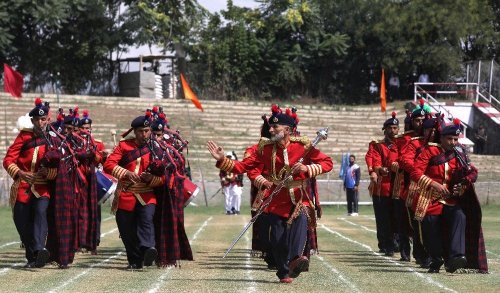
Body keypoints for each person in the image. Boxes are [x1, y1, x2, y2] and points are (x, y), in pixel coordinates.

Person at [207, 104, 333, 283]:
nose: (271, 129)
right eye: (271, 127)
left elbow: (327, 163)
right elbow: (244, 167)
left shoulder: (303, 146)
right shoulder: (265, 148)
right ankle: (283, 272)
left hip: (299, 197)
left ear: (287, 130)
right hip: (276, 199)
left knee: (302, 220)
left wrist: (306, 167)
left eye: (275, 127)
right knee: (277, 239)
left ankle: (297, 258)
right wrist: (223, 160)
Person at [410, 118, 488, 273]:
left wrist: (463, 184)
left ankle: (456, 257)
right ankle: (436, 258)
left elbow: (472, 172)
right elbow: (415, 172)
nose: (453, 142)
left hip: (450, 200)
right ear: (442, 138)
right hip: (429, 199)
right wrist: (434, 184)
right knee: (431, 227)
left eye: (455, 139)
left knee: (460, 216)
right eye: (449, 139)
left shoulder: (459, 154)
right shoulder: (430, 151)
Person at [3, 98, 60, 268]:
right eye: (37, 120)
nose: (40, 123)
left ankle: (40, 249)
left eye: (43, 120)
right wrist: (19, 172)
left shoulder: (53, 139)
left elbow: (59, 169)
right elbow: (8, 160)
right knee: (22, 223)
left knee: (40, 213)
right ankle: (33, 256)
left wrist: (47, 172)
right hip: (22, 187)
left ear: (47, 120)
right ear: (33, 120)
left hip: (42, 187)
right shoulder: (24, 136)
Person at [103, 111, 160, 270]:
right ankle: (135, 260)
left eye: (147, 131)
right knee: (126, 230)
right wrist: (125, 173)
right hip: (126, 193)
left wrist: (152, 179)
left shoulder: (157, 148)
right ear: (134, 132)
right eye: (141, 131)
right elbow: (108, 165)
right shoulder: (123, 146)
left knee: (146, 220)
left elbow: (164, 173)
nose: (144, 134)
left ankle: (148, 249)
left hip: (147, 194)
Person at [368, 112, 400, 256]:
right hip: (382, 188)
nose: (393, 131)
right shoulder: (378, 145)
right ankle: (386, 245)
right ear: (385, 130)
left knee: (397, 218)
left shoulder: (402, 144)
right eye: (390, 128)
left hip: (398, 188)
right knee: (383, 219)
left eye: (395, 128)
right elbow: (375, 161)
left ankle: (396, 243)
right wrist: (380, 169)